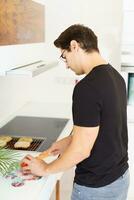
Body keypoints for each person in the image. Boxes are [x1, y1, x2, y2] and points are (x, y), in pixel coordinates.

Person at [21, 24, 130, 200]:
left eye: (64, 57)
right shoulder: (116, 77)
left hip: (96, 188)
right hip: (119, 179)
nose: (66, 65)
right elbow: (106, 130)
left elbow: (81, 151)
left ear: (74, 46)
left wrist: (45, 168)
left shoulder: (87, 88)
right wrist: (70, 140)